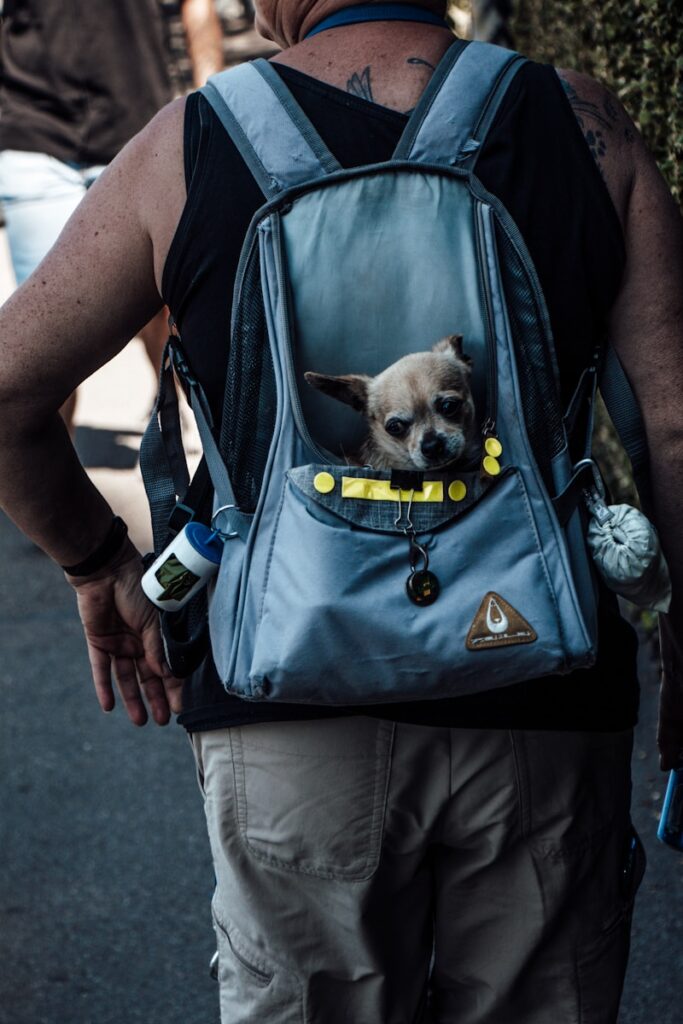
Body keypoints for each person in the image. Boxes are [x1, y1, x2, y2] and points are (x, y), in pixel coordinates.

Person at [0, 1, 681, 1020]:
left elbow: (8, 394)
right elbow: (673, 427)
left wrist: (99, 564)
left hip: (289, 704)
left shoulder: (187, 147)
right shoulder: (581, 123)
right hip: (541, 691)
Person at [0, 0, 223, 427]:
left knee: (160, 308)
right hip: (33, 133)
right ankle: (52, 460)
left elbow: (197, 5)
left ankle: (178, 406)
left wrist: (209, 99)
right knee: (45, 342)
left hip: (136, 128)